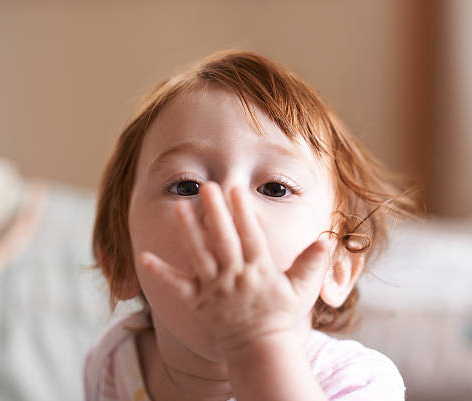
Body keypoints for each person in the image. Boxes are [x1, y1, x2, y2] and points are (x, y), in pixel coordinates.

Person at [84, 49, 415, 401]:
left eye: (274, 188)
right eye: (187, 186)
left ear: (337, 267)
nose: (227, 205)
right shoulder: (115, 362)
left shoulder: (353, 382)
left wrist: (260, 340)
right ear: (120, 259)